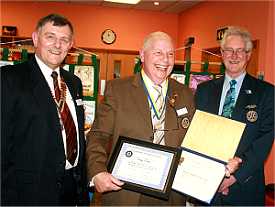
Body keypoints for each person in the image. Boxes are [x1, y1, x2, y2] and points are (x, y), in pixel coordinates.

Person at [86, 31, 196, 205]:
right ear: (142, 55)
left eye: (170, 54)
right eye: (158, 53)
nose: (165, 60)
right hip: (126, 191)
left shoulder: (185, 93)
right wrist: (97, 171)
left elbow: (194, 141)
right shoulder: (118, 89)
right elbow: (98, 135)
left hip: (172, 193)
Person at [1, 14, 89, 205]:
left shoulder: (74, 83)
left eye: (64, 39)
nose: (57, 45)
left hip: (71, 190)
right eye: (50, 37)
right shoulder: (9, 79)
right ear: (35, 39)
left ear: (70, 45)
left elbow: (77, 136)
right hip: (26, 195)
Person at [195, 26, 274, 205]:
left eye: (240, 51)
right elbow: (196, 134)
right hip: (205, 185)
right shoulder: (204, 90)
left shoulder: (266, 93)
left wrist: (233, 178)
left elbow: (263, 143)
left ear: (248, 55)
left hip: (245, 187)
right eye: (229, 50)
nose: (234, 56)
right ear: (222, 53)